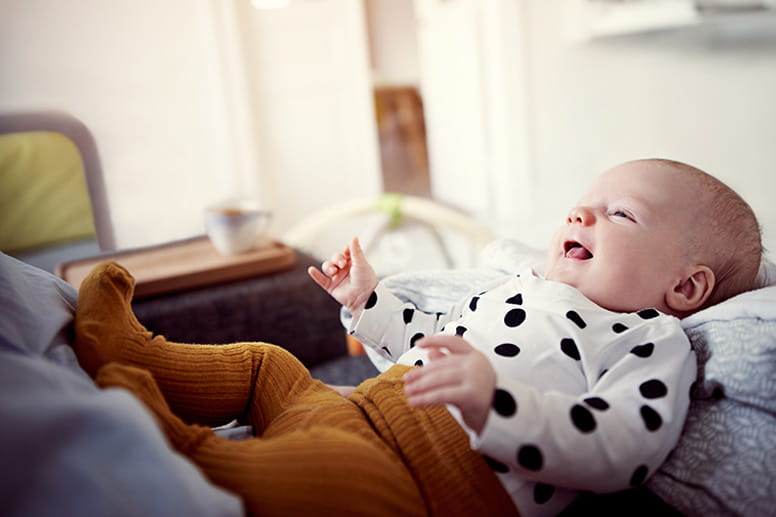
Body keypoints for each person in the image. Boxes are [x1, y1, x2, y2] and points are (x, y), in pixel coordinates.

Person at [73, 158, 761, 517]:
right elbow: (430, 338)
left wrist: (496, 403)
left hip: (422, 483)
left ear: (687, 288)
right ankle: (142, 355)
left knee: (296, 481)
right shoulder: (522, 286)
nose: (581, 212)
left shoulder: (649, 342)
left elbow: (620, 447)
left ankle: (159, 441)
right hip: (361, 406)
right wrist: (369, 301)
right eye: (585, 200)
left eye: (620, 213)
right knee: (267, 365)